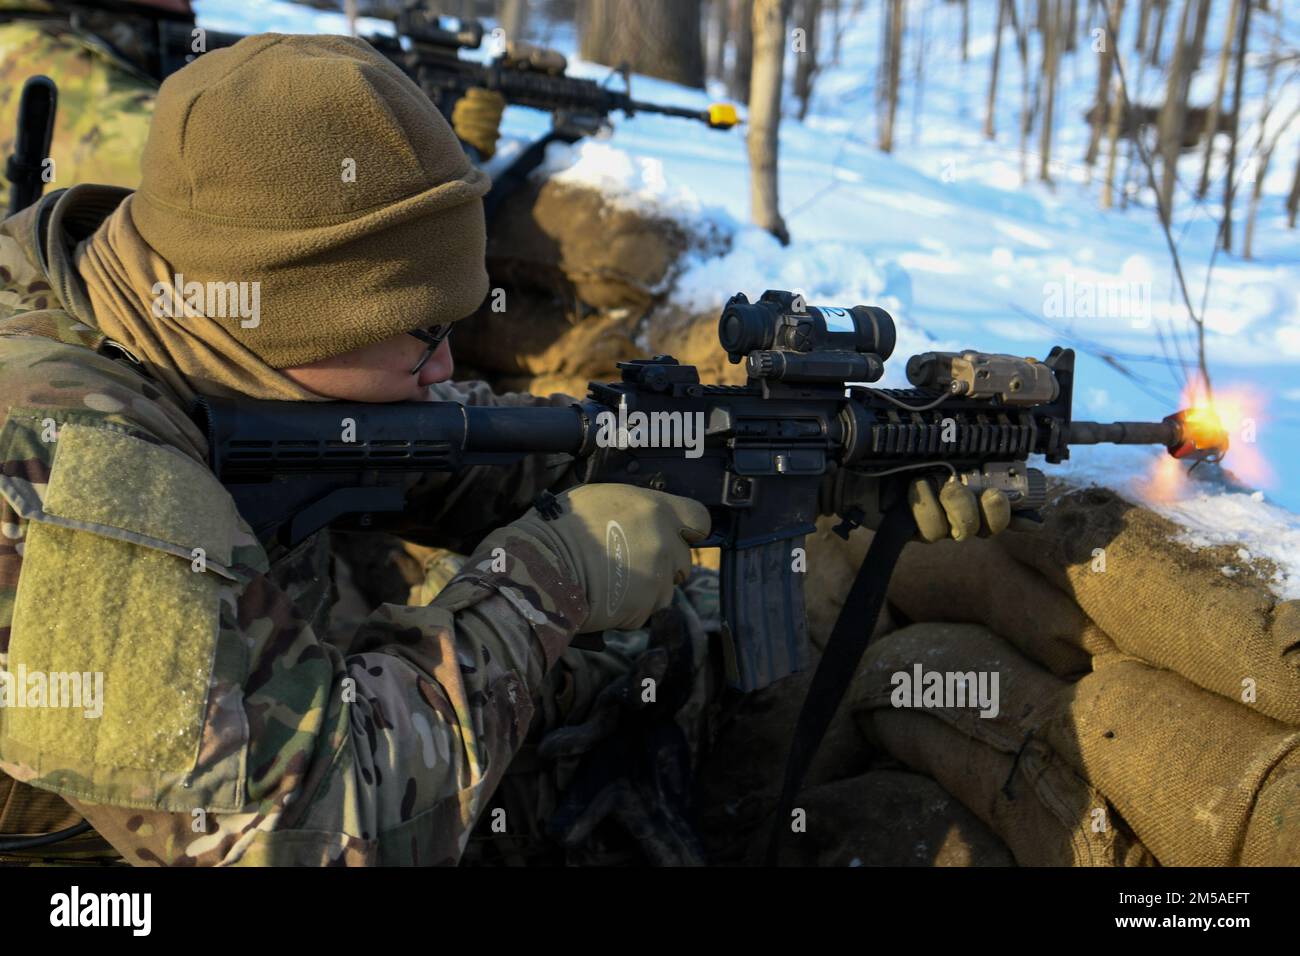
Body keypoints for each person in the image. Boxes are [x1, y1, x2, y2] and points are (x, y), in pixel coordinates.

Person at [0, 33, 1010, 866]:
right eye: (423, 330)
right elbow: (310, 829)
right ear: (290, 316)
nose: (452, 364)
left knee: (642, 644)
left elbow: (452, 446)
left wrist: (812, 467)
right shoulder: (71, 460)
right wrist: (551, 575)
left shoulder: (186, 322)